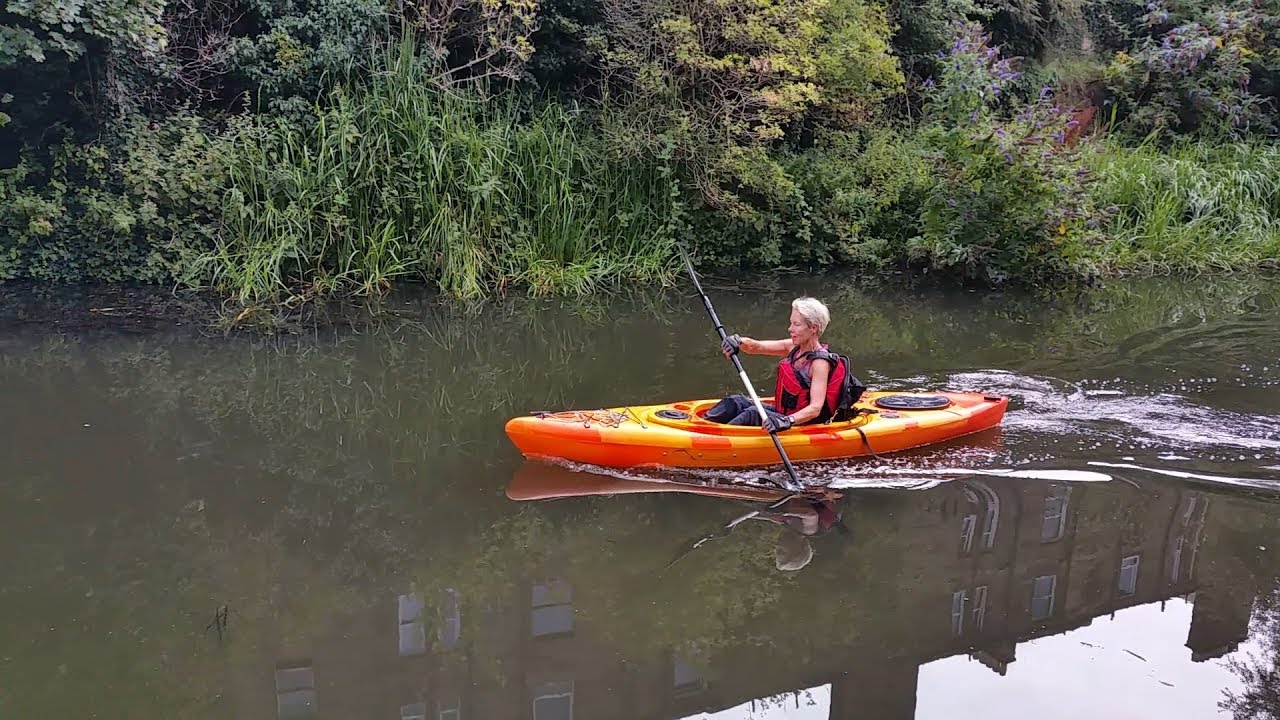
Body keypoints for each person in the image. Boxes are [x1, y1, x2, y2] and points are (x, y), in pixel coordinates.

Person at [704, 296, 844, 433]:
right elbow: (757, 347)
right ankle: (703, 425)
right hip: (781, 413)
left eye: (796, 324)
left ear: (813, 328)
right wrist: (738, 341)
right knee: (736, 402)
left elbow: (815, 408)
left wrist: (786, 421)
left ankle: (715, 442)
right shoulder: (794, 347)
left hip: (800, 423)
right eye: (791, 323)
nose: (790, 329)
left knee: (753, 414)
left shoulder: (820, 363)